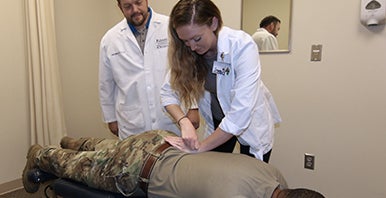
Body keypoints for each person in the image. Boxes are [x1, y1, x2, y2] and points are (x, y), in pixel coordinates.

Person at [22, 130, 325, 198]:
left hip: (160, 141)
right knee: (78, 167)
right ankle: (41, 154)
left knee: (108, 149)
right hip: (134, 169)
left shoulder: (275, 174)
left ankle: (78, 143)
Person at [160, 0, 281, 162]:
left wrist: (200, 148)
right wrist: (184, 122)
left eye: (197, 38)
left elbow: (239, 115)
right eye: (185, 41)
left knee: (252, 177)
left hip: (250, 123)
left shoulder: (241, 45)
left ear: (213, 23)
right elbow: (167, 93)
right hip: (218, 122)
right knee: (213, 173)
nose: (192, 47)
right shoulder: (188, 53)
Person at [99, 0, 191, 139]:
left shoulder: (170, 26)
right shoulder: (110, 40)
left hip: (171, 118)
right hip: (132, 123)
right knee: (136, 160)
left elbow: (187, 67)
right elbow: (105, 84)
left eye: (138, 2)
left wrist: (193, 106)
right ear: (120, 7)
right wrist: (110, 119)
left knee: (174, 159)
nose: (135, 9)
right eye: (128, 6)